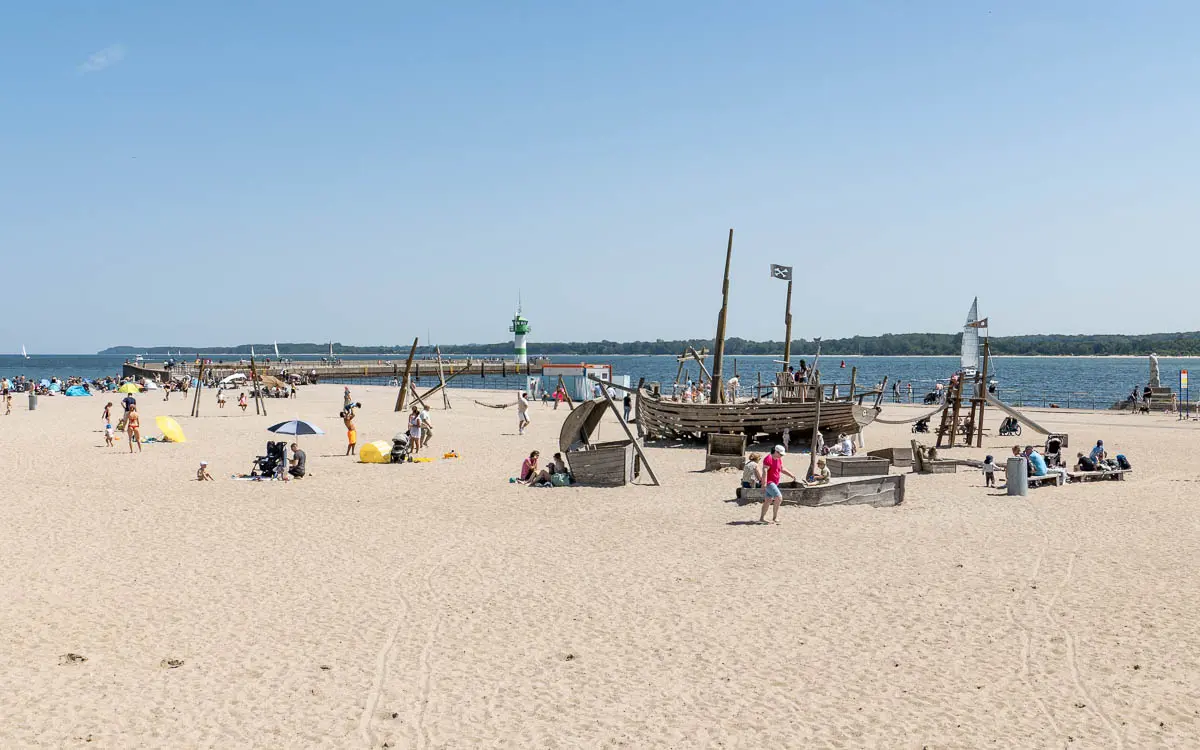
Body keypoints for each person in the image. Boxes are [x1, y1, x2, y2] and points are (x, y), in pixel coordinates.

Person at [759, 445, 796, 524]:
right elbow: (764, 471)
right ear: (776, 452)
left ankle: (762, 518)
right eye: (781, 454)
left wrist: (791, 475)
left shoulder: (778, 459)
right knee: (779, 498)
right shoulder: (768, 458)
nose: (782, 456)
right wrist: (764, 483)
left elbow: (781, 469)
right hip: (769, 482)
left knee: (768, 501)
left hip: (774, 483)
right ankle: (774, 518)